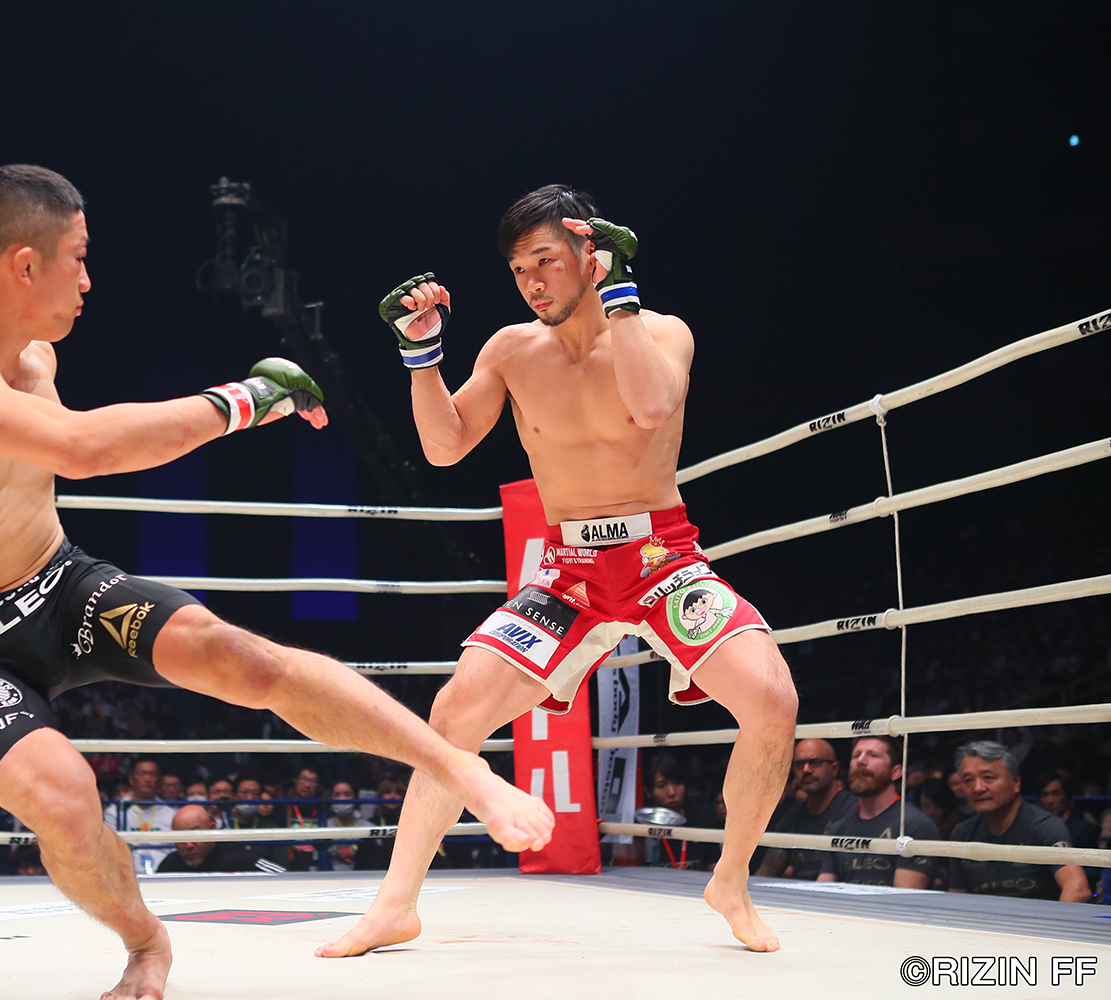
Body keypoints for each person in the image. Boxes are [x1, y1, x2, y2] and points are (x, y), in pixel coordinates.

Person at [0, 164, 552, 1000]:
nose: (88, 280)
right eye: (78, 258)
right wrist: (246, 399)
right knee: (62, 796)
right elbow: (82, 450)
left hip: (58, 587)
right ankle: (145, 942)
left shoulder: (34, 357)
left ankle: (464, 772)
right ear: (25, 264)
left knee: (241, 656)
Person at [321, 184, 797, 958]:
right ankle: (395, 904)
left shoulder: (662, 331)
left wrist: (621, 295)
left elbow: (651, 408)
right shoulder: (511, 351)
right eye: (518, 269)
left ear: (590, 252)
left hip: (661, 558)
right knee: (454, 712)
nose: (532, 283)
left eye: (546, 260)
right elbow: (444, 447)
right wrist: (421, 354)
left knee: (772, 699)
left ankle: (731, 882)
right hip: (568, 568)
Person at [949, 740, 1090, 902]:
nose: (978, 788)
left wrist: (1053, 919)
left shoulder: (1044, 827)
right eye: (968, 780)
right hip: (980, 917)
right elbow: (956, 897)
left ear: (1016, 782)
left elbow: (1078, 889)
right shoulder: (962, 833)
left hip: (1034, 917)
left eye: (988, 778)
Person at [817, 737, 939, 888]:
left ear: (896, 772)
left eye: (873, 755)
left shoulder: (915, 825)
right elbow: (823, 890)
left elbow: (903, 898)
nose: (860, 761)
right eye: (856, 755)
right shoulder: (837, 830)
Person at [757, 738, 856, 881]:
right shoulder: (793, 815)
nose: (806, 770)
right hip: (801, 893)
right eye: (799, 764)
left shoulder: (851, 810)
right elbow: (767, 871)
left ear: (834, 769)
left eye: (815, 762)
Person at [156, 804, 284, 874]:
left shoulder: (239, 859)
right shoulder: (169, 866)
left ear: (212, 828)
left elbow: (283, 876)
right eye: (181, 837)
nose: (188, 845)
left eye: (195, 835)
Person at [108, 758, 175, 875]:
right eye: (142, 774)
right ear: (131, 779)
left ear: (159, 780)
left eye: (152, 774)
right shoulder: (115, 811)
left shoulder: (171, 813)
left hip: (164, 873)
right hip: (126, 873)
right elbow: (111, 849)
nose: (147, 779)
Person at [325, 780, 364, 872]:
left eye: (347, 794)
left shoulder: (367, 827)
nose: (342, 799)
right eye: (337, 795)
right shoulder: (324, 826)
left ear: (355, 797)